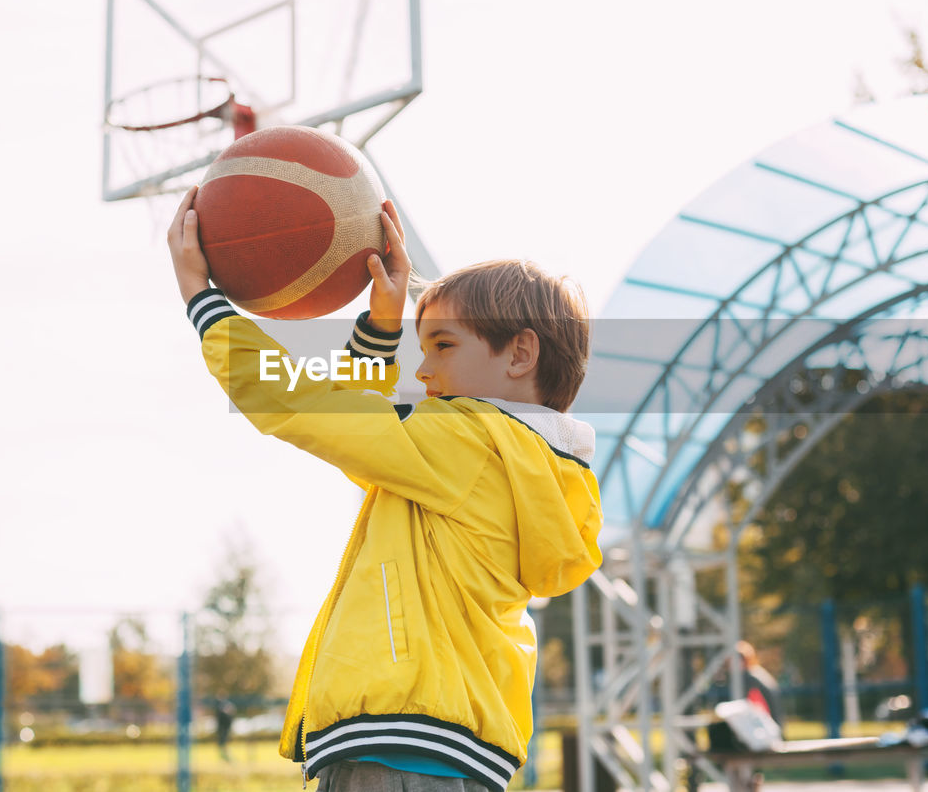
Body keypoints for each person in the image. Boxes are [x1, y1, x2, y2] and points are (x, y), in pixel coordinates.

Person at [167, 187, 603, 792]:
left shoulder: (468, 442)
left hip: (399, 751)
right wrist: (378, 326)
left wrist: (203, 301)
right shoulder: (520, 461)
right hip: (450, 750)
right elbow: (362, 430)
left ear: (520, 353)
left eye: (443, 346)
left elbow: (305, 404)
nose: (422, 370)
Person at [736, 640, 784, 733]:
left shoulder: (749, 678)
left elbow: (755, 708)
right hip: (775, 727)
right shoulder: (757, 673)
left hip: (768, 731)